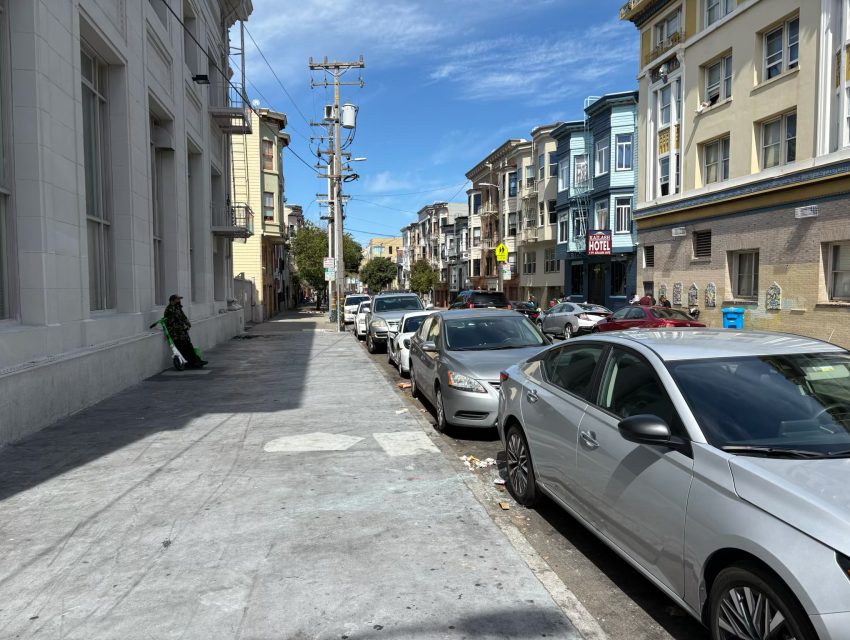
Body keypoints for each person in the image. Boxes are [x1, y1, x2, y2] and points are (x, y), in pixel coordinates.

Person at [164, 294, 207, 368]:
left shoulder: (178, 308)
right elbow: (171, 323)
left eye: (179, 299)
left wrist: (187, 324)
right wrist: (183, 327)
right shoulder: (170, 309)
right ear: (172, 300)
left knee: (189, 346)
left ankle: (196, 361)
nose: (179, 300)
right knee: (183, 348)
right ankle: (190, 363)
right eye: (177, 299)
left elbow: (183, 317)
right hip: (176, 334)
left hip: (183, 332)